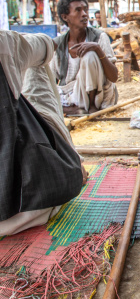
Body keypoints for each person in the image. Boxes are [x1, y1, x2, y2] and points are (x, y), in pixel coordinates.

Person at [0, 30, 86, 236]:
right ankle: (69, 161)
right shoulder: (5, 44)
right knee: (37, 71)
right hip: (26, 208)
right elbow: (48, 45)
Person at [51, 0, 118, 115]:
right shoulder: (58, 44)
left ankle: (90, 107)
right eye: (78, 10)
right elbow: (50, 80)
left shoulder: (99, 37)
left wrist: (98, 50)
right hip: (71, 95)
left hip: (99, 96)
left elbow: (114, 77)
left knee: (90, 54)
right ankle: (74, 108)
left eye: (85, 10)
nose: (84, 14)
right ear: (65, 17)